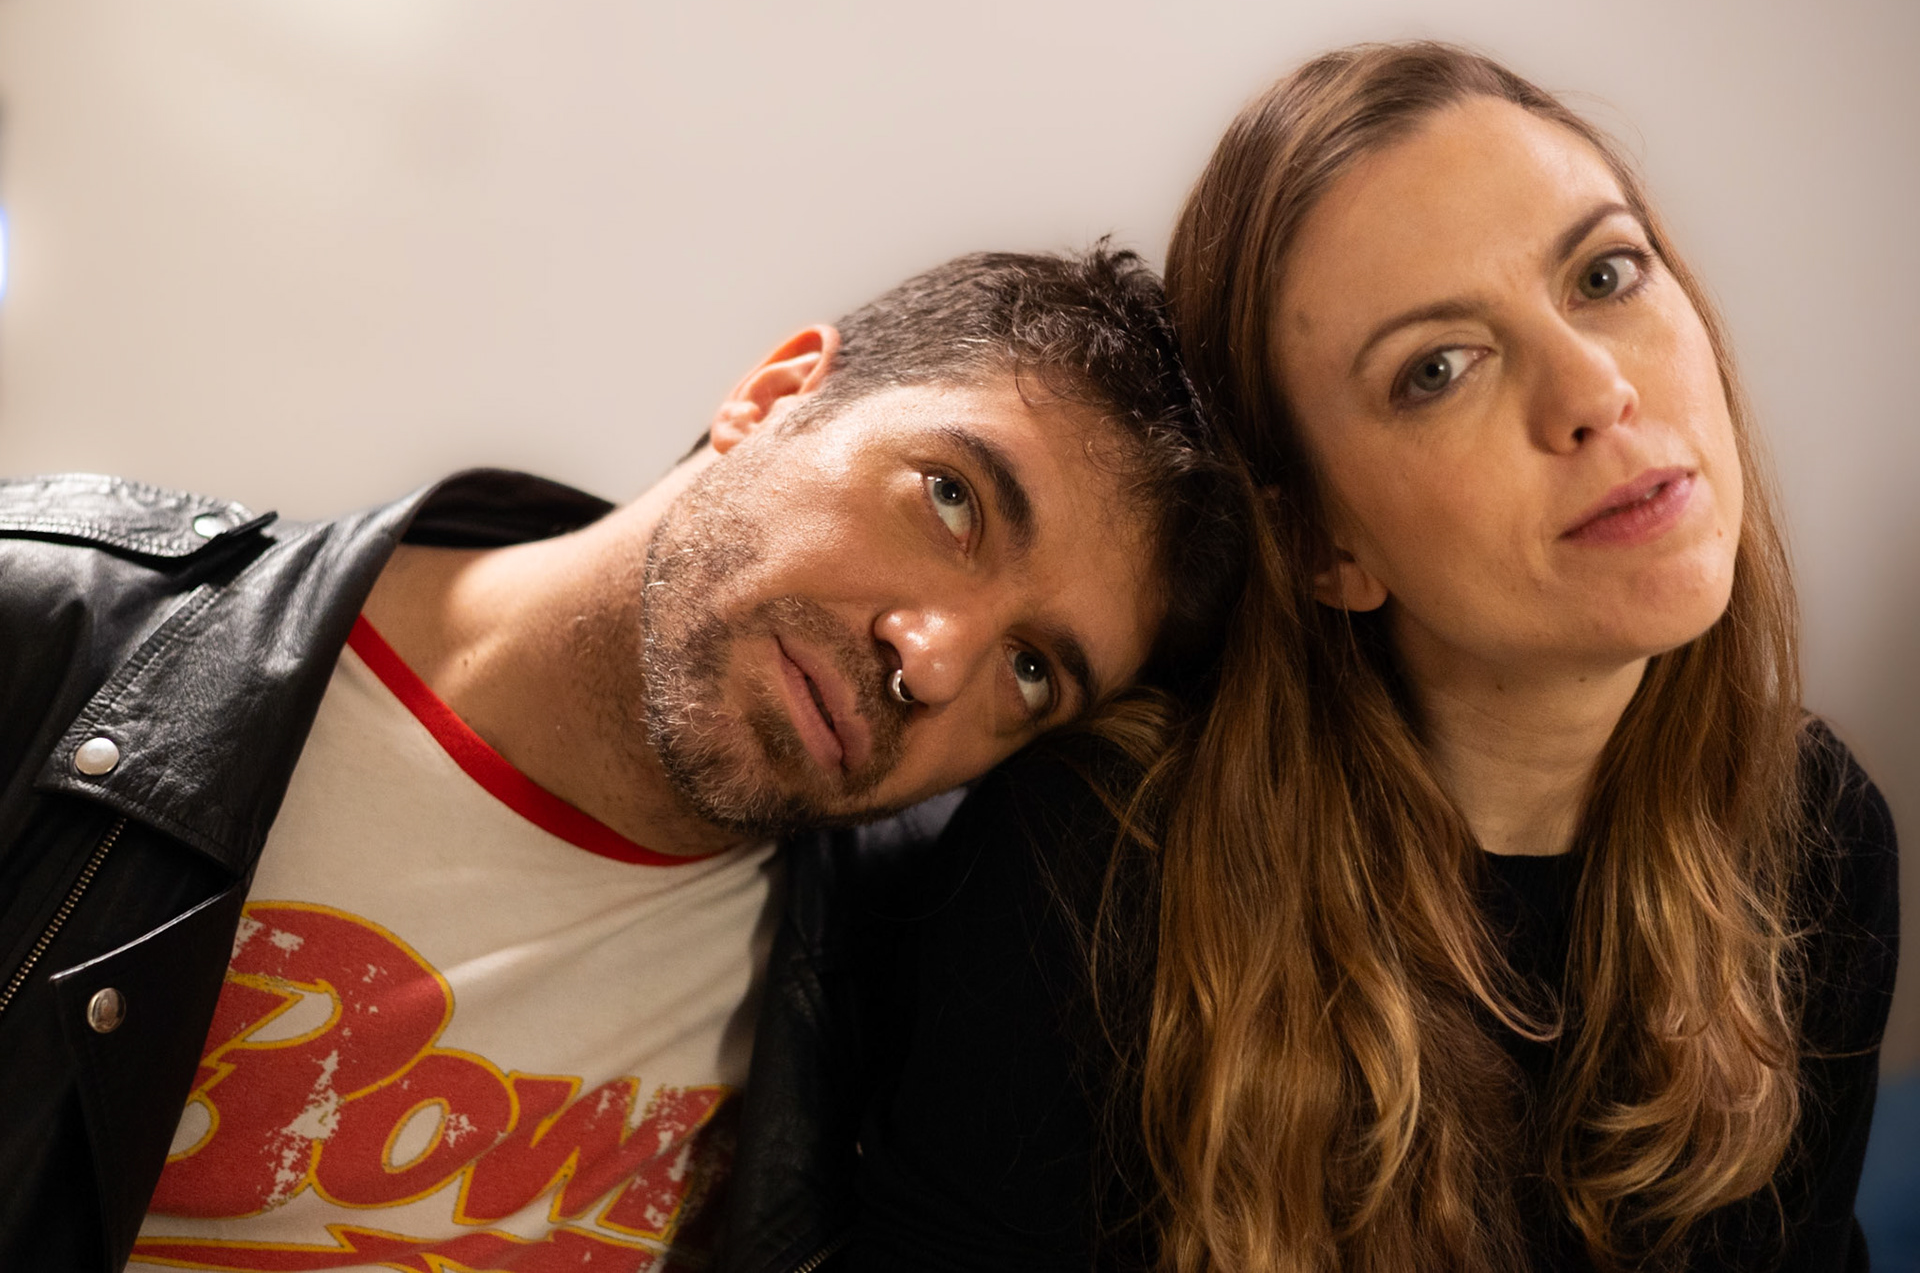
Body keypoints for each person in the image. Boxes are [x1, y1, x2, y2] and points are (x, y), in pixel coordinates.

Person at [839, 44, 1898, 1273]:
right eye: (1436, 369)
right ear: (1318, 544)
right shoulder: (1094, 867)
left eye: (1605, 274)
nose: (1597, 389)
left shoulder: (1814, 831)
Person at [0, 246, 1247, 1273]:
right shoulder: (55, 637)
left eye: (1032, 670)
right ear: (776, 392)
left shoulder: (886, 988)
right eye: (953, 499)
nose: (931, 659)